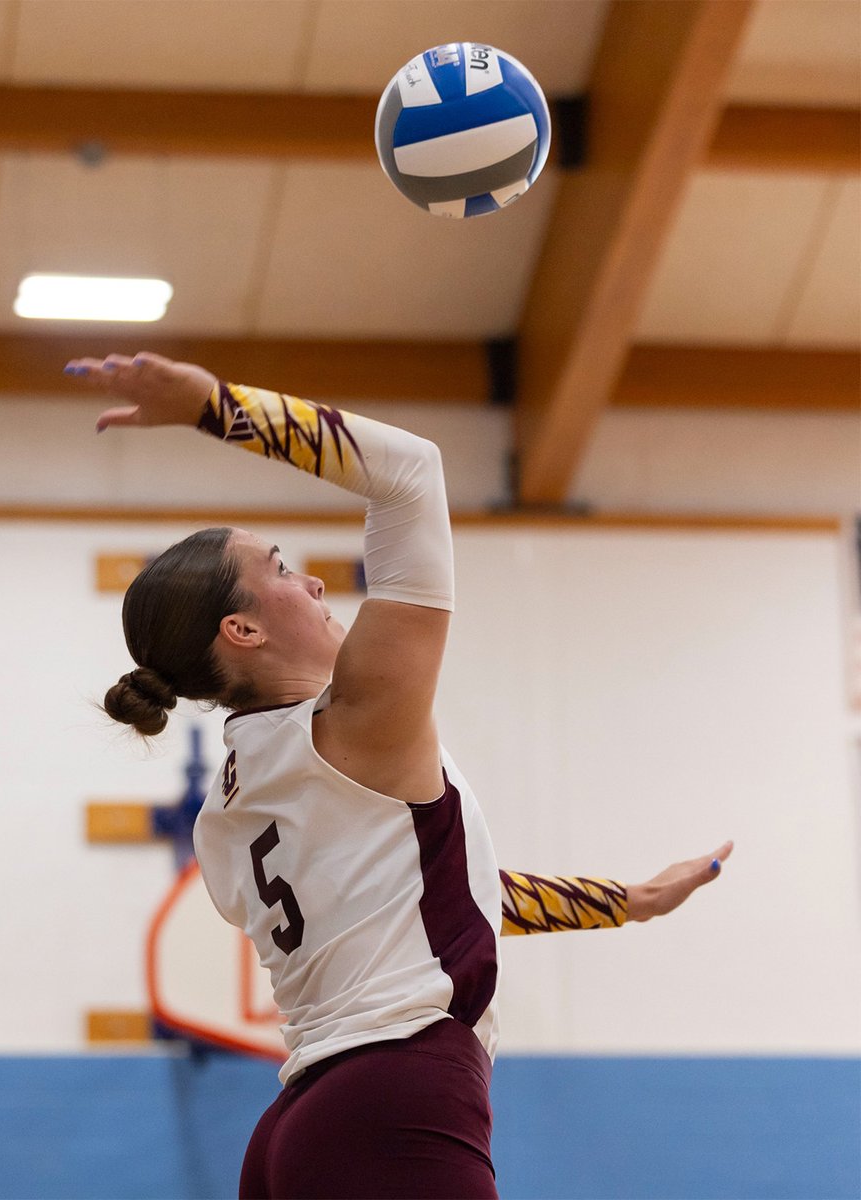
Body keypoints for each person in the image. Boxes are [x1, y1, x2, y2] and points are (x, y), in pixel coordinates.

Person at [66, 351, 732, 1200]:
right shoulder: (360, 718)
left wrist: (623, 902)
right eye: (277, 567)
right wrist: (211, 404)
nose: (308, 579)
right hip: (395, 1100)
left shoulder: (231, 799)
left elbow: (432, 889)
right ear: (241, 631)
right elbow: (410, 472)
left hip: (296, 1131)